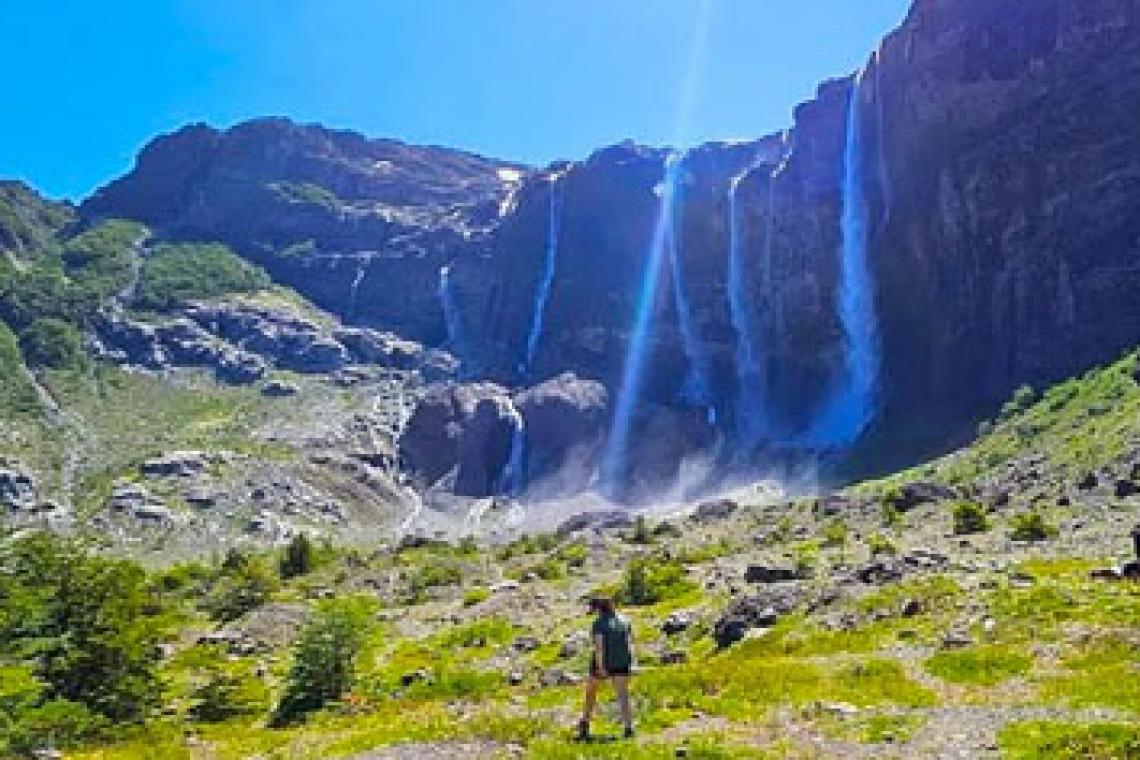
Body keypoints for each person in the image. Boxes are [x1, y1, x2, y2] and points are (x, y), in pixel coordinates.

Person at [577, 596, 634, 741]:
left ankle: (585, 723)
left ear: (598, 609)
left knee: (591, 691)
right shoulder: (625, 621)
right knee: (623, 694)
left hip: (604, 662)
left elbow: (599, 647)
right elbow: (629, 643)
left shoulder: (599, 624)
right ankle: (628, 727)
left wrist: (601, 667)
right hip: (622, 661)